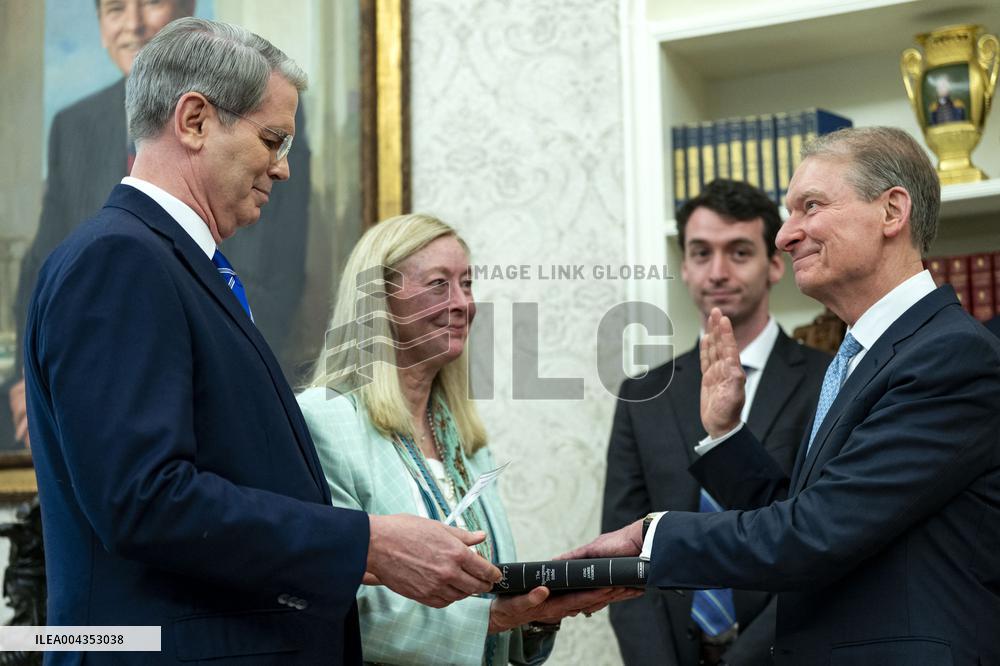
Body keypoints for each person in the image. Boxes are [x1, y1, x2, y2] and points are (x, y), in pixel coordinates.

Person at [23, 19, 500, 665]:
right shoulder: (120, 260)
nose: (281, 169)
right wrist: (365, 543)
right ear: (193, 120)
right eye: (272, 140)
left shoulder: (181, 266)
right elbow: (142, 499)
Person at [567, 126, 1000, 665]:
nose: (785, 235)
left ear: (892, 212)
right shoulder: (867, 353)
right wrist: (726, 436)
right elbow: (810, 513)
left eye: (809, 206)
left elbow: (814, 535)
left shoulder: (950, 355)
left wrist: (653, 536)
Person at [298, 213, 636, 665]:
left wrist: (537, 612)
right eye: (439, 284)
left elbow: (488, 601)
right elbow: (330, 602)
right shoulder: (325, 420)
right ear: (379, 300)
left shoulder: (464, 441)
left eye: (468, 284)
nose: (462, 303)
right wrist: (492, 620)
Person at [7, 0, 310, 448]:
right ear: (193, 121)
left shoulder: (263, 134)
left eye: (149, 2)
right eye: (114, 8)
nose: (133, 23)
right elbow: (148, 497)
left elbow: (281, 280)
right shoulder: (111, 248)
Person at [601, 179, 829, 666]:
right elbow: (623, 557)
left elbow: (821, 545)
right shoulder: (643, 394)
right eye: (701, 253)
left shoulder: (827, 381)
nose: (718, 272)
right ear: (684, 266)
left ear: (774, 265)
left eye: (739, 252)